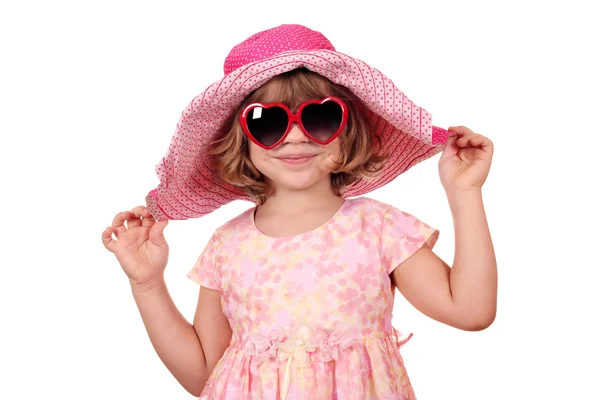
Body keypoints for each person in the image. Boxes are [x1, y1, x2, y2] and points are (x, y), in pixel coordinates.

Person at [101, 24, 497, 399]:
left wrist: (465, 192)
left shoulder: (377, 228)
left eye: (319, 117)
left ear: (349, 131)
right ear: (242, 142)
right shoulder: (226, 245)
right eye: (267, 122)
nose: (295, 135)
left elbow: (471, 311)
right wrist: (148, 283)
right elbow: (202, 374)